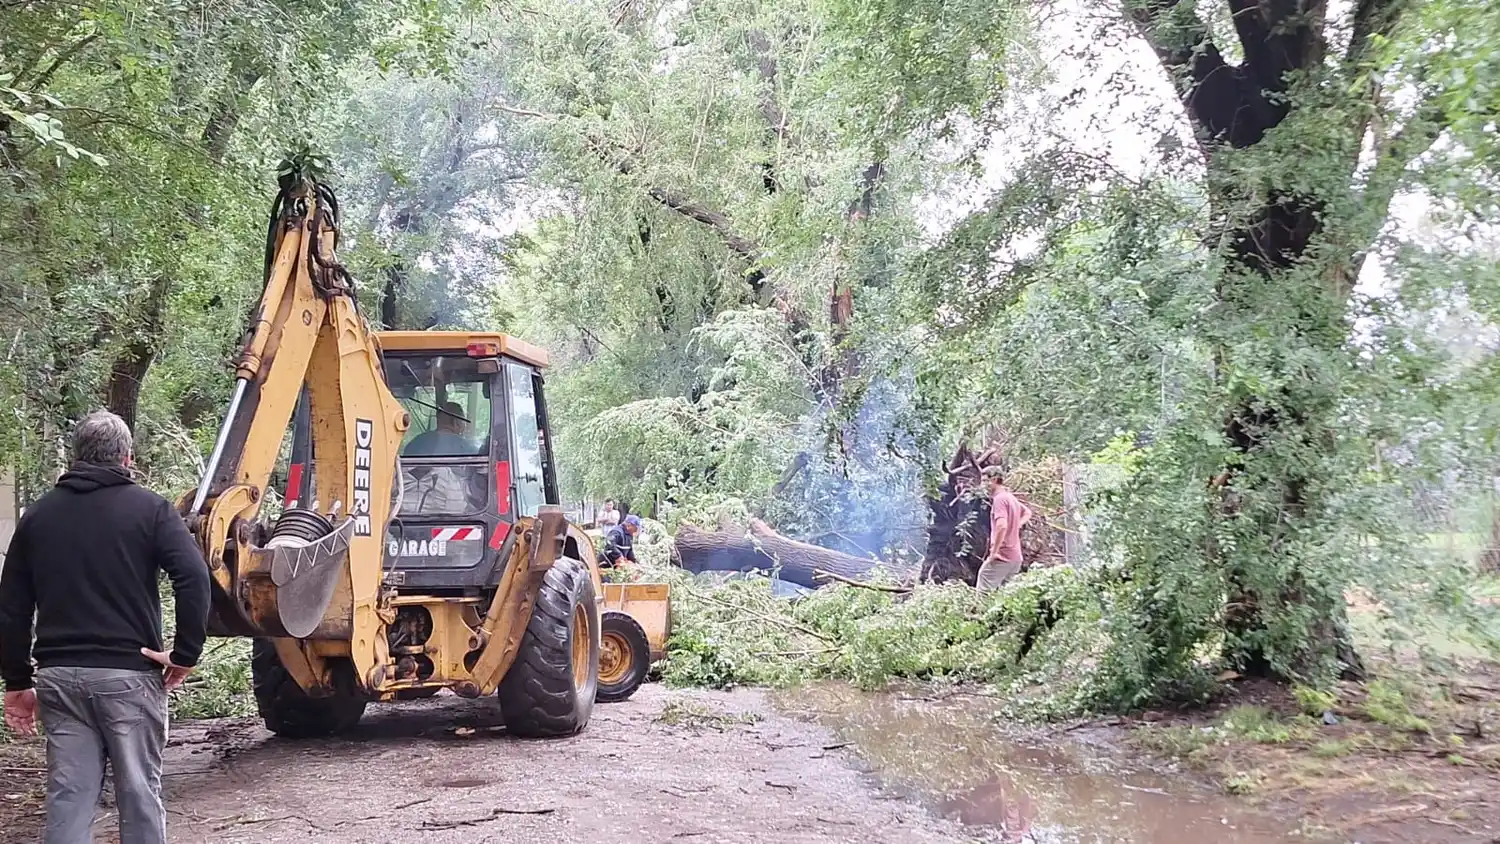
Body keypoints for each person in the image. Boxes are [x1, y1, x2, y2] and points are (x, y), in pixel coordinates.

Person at [0, 410, 211, 844]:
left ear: (76, 457)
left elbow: (12, 606)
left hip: (58, 679)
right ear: (127, 458)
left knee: (69, 796)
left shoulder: (38, 517)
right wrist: (185, 653)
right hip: (128, 676)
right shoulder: (151, 510)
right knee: (138, 794)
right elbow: (193, 577)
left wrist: (17, 680)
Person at [976, 465, 1032, 593]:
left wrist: (994, 552)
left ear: (994, 480)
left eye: (985, 481)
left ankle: (980, 613)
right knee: (1005, 597)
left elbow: (1002, 526)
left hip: (1003, 556)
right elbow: (1027, 512)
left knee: (984, 586)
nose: (982, 484)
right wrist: (1017, 524)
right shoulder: (1010, 498)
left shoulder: (999, 500)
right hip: (1015, 558)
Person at [404, 400, 481, 456]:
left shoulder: (416, 442)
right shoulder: (467, 448)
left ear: (438, 420)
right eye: (463, 421)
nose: (465, 426)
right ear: (456, 422)